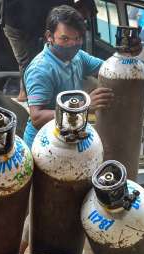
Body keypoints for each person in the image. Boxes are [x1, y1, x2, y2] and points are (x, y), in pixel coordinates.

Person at [23, 4, 114, 149]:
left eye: (77, 38)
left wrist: (127, 56)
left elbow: (110, 69)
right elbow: (37, 117)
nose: (72, 44)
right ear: (49, 37)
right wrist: (83, 107)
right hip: (42, 144)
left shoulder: (78, 57)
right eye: (64, 39)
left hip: (69, 135)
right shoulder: (41, 69)